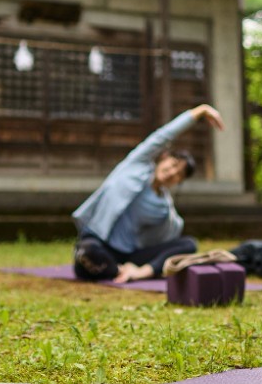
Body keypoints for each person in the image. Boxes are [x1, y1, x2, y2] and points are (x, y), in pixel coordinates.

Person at [71, 104, 224, 283]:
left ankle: (140, 272)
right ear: (164, 157)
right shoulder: (136, 165)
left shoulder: (165, 208)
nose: (172, 172)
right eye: (174, 165)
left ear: (178, 182)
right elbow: (162, 136)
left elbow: (168, 237)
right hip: (99, 241)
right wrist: (200, 111)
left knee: (189, 244)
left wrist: (145, 263)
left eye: (179, 175)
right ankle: (117, 270)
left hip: (129, 253)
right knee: (87, 252)